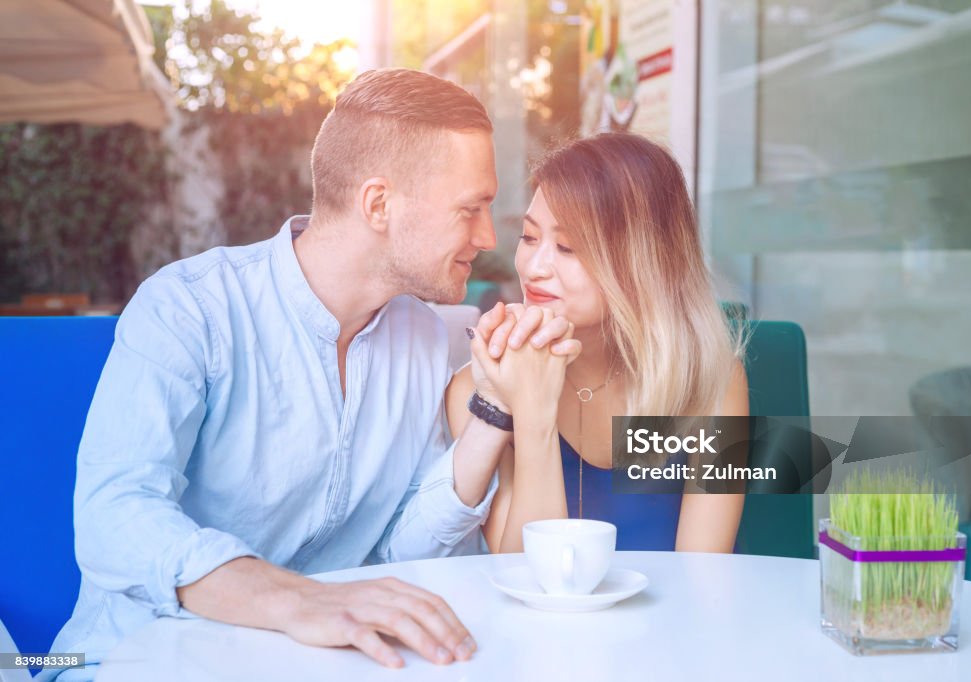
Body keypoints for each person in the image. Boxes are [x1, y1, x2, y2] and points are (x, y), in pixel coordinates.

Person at [44, 68, 576, 681]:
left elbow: (396, 553)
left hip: (313, 666)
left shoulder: (433, 340)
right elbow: (115, 516)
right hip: (121, 657)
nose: (489, 237)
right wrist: (297, 599)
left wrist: (491, 410)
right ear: (379, 204)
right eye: (470, 209)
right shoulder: (189, 307)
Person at [446, 133, 749, 554]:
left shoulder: (714, 384)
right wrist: (533, 408)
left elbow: (704, 575)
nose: (534, 268)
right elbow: (524, 575)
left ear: (643, 264)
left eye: (567, 247)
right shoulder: (480, 392)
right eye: (530, 238)